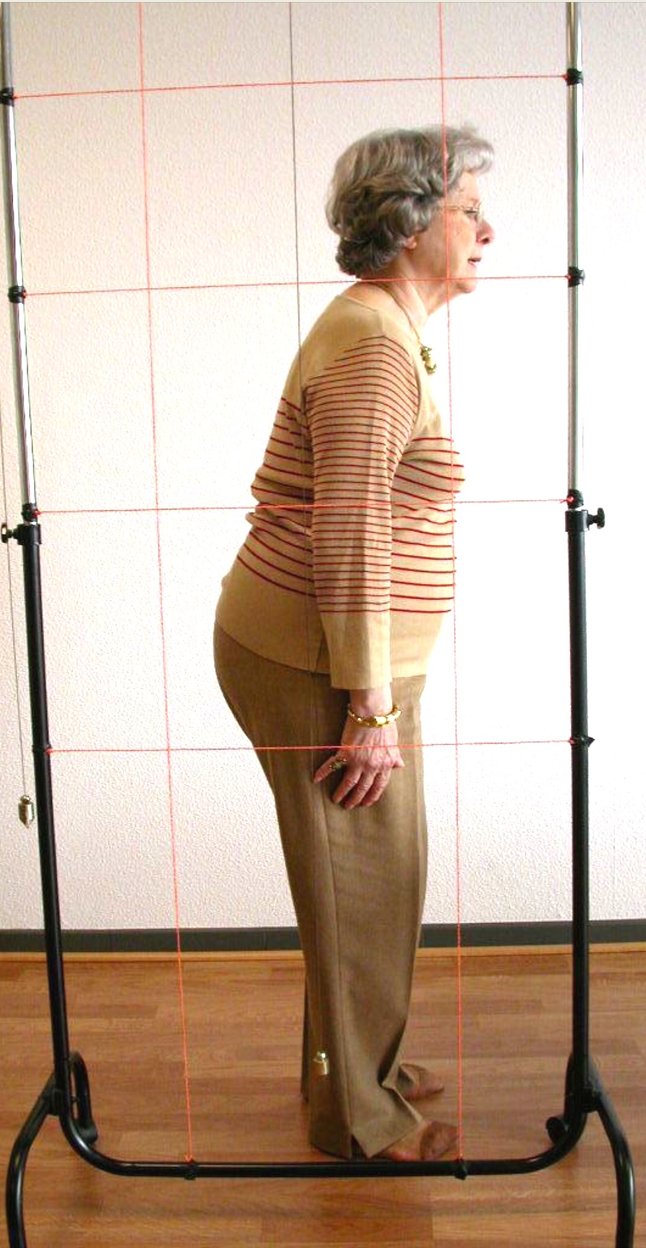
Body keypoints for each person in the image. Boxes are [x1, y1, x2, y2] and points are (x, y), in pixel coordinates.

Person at [214, 125, 494, 1161]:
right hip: (320, 666)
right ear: (411, 219)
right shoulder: (374, 345)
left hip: (341, 660)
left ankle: (356, 1062)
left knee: (370, 881)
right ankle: (359, 1123)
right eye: (469, 210)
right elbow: (353, 529)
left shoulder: (388, 329)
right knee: (365, 885)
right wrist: (368, 707)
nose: (487, 230)